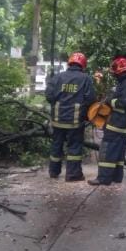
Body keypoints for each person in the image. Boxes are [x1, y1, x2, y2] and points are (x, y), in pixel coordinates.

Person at [45, 52, 95, 181]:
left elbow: (49, 96)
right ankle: (73, 174)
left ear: (69, 63)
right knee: (74, 146)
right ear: (83, 64)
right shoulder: (85, 78)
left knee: (57, 144)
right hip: (75, 120)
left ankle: (53, 172)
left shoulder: (58, 77)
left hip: (58, 120)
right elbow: (90, 98)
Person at [89, 56, 126, 186]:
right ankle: (116, 177)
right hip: (121, 125)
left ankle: (103, 178)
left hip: (117, 124)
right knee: (118, 154)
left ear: (120, 70)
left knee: (107, 151)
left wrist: (110, 101)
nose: (114, 74)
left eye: (115, 71)